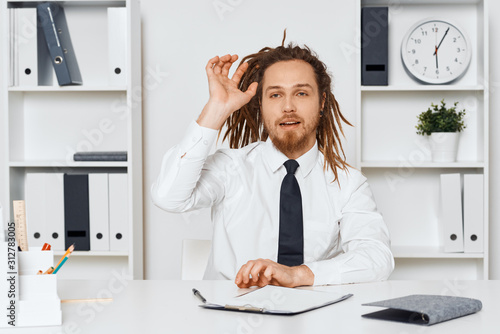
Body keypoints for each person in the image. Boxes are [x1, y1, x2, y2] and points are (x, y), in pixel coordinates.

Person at [151, 39, 394, 288]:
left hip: (313, 317)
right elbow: (168, 197)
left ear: (321, 103)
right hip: (228, 316)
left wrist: (297, 275)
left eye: (301, 93)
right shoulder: (230, 168)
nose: (288, 107)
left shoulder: (348, 183)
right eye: (275, 95)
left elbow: (376, 258)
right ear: (261, 105)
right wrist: (216, 109)